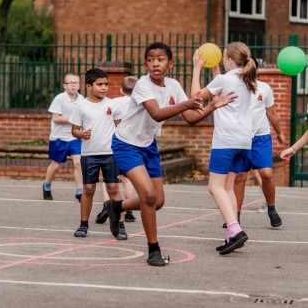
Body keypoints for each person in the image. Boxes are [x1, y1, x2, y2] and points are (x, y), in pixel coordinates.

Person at [105, 42, 237, 266]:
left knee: (157, 202)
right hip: (126, 144)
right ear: (146, 63)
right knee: (147, 195)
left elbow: (192, 118)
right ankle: (153, 250)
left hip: (148, 146)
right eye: (150, 59)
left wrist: (213, 105)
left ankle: (116, 206)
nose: (155, 63)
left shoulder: (174, 86)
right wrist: (187, 103)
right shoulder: (142, 86)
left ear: (170, 63)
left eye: (161, 59)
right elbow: (156, 114)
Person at [192, 41, 257, 255]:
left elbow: (196, 97)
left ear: (229, 60)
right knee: (228, 187)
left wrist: (197, 68)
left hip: (225, 141)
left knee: (215, 187)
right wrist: (215, 70)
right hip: (244, 141)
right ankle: (232, 233)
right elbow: (223, 82)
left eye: (223, 60)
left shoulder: (224, 79)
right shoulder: (248, 79)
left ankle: (235, 229)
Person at [69, 68, 128, 240]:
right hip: (89, 154)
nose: (104, 88)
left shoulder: (112, 104)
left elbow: (120, 127)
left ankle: (121, 225)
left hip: (110, 153)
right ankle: (83, 225)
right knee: (88, 189)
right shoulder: (80, 105)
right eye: (99, 84)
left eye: (106, 84)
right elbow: (74, 130)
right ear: (89, 86)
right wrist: (81, 134)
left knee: (113, 188)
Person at [233, 56, 284, 228]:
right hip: (240, 138)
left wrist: (280, 132)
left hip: (261, 137)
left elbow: (271, 113)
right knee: (240, 177)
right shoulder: (234, 87)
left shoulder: (264, 88)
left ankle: (271, 208)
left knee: (267, 174)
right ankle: (235, 217)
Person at [95, 76, 138, 224]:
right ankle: (129, 210)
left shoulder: (114, 103)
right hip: (132, 145)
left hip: (115, 144)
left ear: (121, 90)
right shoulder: (140, 104)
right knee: (127, 179)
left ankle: (107, 206)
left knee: (108, 179)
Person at [42, 73, 84, 201]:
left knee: (78, 163)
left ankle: (79, 192)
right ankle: (46, 186)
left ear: (79, 85)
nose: (73, 85)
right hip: (59, 137)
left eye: (76, 82)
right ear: (64, 85)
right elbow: (56, 118)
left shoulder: (82, 100)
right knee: (56, 165)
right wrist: (73, 119)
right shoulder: (59, 99)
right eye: (70, 82)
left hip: (75, 136)